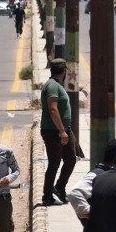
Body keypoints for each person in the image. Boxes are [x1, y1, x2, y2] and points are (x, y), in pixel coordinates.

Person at [40, 58, 77, 206]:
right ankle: (47, 196)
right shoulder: (52, 86)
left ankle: (59, 187)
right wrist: (61, 131)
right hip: (53, 131)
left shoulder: (57, 85)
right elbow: (53, 109)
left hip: (63, 129)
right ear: (64, 71)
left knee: (71, 159)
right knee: (54, 163)